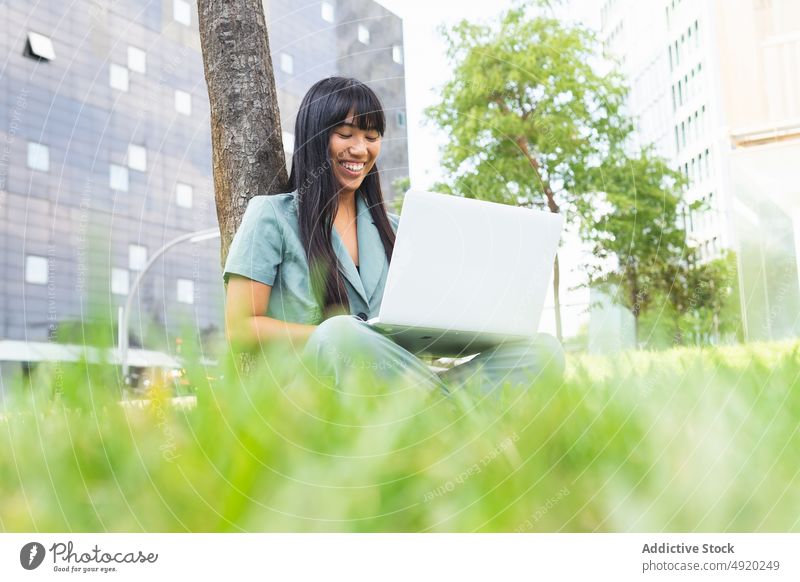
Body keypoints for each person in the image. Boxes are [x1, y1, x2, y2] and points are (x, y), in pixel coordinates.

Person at [223, 76, 564, 393]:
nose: (360, 149)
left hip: (404, 385)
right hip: (315, 390)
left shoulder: (397, 229)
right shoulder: (272, 216)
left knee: (542, 351)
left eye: (371, 138)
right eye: (346, 134)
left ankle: (429, 415)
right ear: (315, 137)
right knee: (341, 333)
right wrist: (336, 336)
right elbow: (240, 328)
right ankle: (446, 416)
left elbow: (421, 329)